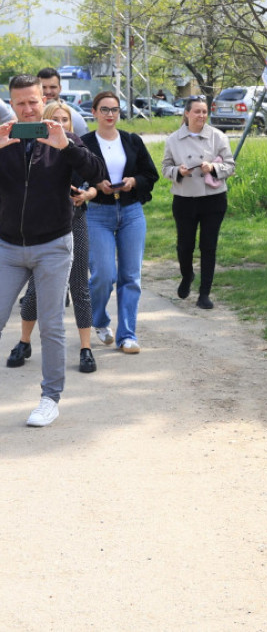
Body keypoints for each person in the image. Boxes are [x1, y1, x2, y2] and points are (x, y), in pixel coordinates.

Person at [0, 74, 104, 426]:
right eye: (21, 103)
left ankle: (50, 399)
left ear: (42, 100)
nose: (28, 109)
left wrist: (66, 146)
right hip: (8, 247)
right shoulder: (4, 139)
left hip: (53, 246)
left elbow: (97, 173)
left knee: (51, 325)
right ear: (11, 105)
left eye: (33, 101)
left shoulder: (64, 138)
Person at [6, 100, 98, 374]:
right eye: (54, 119)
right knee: (34, 291)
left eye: (65, 119)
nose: (60, 124)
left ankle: (85, 348)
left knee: (79, 285)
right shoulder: (35, 150)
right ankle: (24, 341)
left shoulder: (75, 146)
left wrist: (87, 194)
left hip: (75, 221)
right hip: (45, 229)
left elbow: (94, 179)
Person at [83, 91, 160, 353]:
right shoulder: (84, 143)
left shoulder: (132, 140)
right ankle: (99, 320)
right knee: (104, 275)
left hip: (130, 212)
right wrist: (96, 185)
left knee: (131, 277)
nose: (110, 114)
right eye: (104, 109)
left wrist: (134, 181)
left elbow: (150, 174)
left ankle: (127, 335)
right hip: (97, 213)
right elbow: (74, 176)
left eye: (114, 109)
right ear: (94, 112)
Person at [161, 95, 236, 309]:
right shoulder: (173, 139)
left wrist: (213, 168)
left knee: (208, 246)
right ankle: (187, 275)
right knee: (185, 246)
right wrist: (178, 171)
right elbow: (165, 168)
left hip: (213, 199)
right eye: (197, 111)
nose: (201, 115)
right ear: (187, 113)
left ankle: (204, 294)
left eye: (204, 111)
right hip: (184, 199)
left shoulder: (218, 136)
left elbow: (230, 166)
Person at [37, 66, 88, 137]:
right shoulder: (29, 115)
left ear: (60, 88)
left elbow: (85, 142)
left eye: (53, 87)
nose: (48, 91)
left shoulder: (74, 117)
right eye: (43, 87)